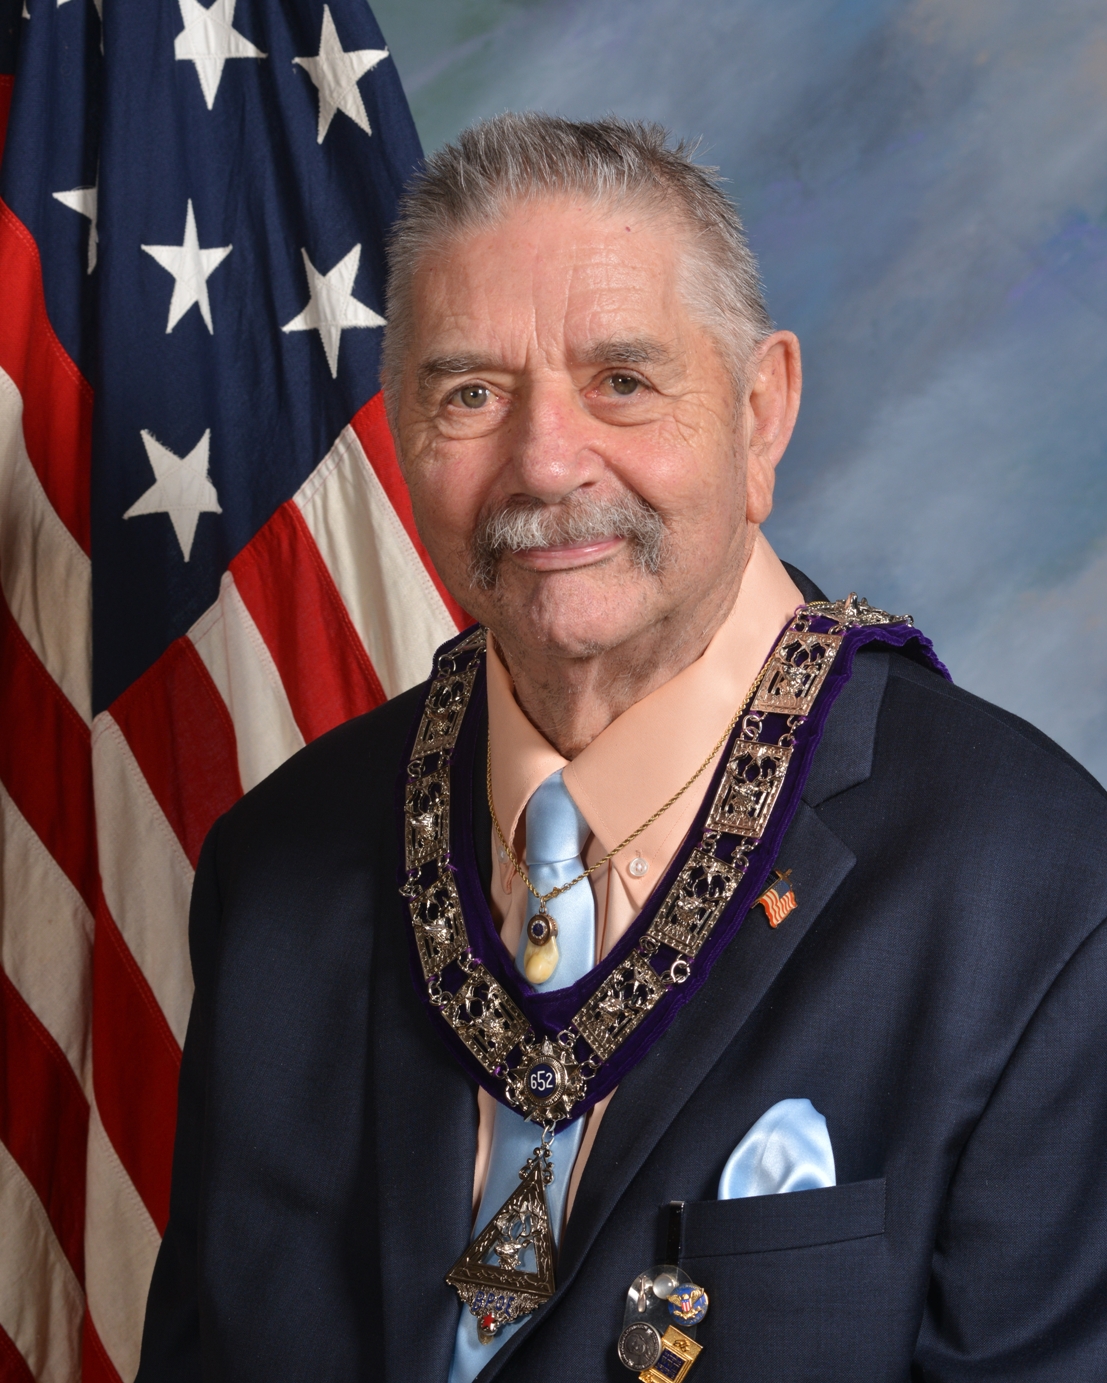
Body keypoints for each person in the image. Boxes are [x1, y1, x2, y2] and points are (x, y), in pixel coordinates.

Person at [137, 115, 1107, 1383]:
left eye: (623, 383)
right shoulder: (274, 869)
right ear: (403, 433)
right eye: (471, 394)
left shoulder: (1038, 894)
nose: (545, 464)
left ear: (761, 412)